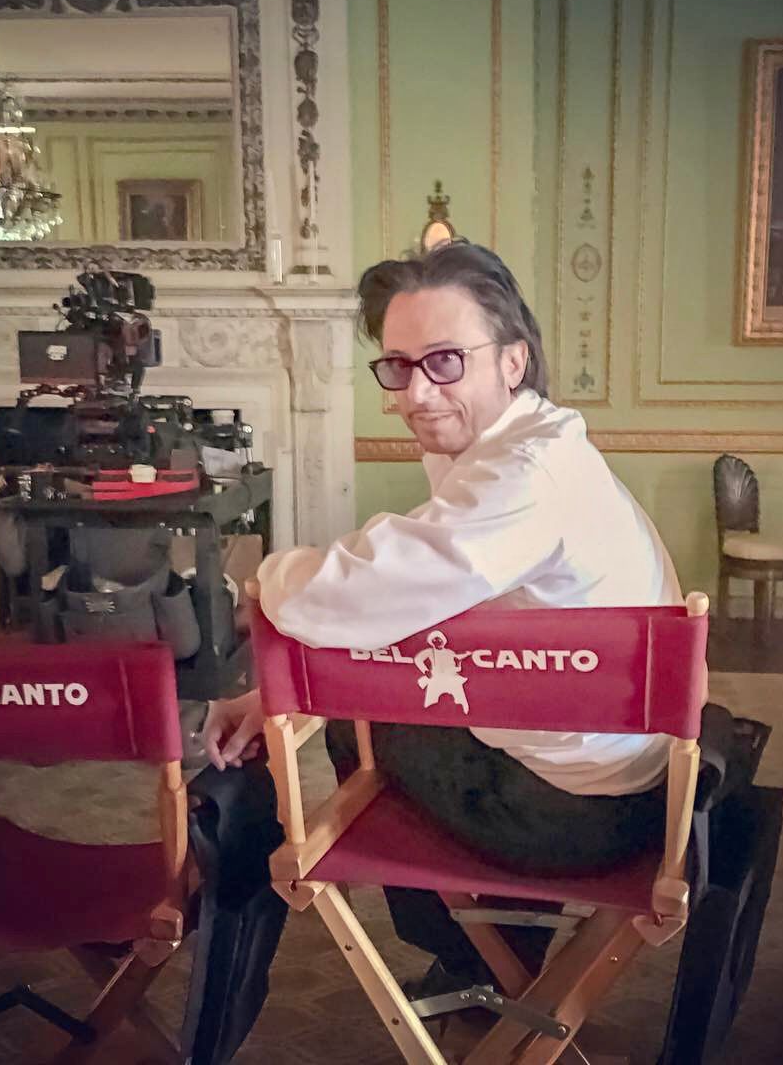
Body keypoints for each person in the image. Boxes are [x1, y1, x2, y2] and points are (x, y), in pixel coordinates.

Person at [200, 239, 683, 998]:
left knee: (355, 724)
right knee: (374, 684)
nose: (417, 393)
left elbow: (349, 595)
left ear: (514, 361)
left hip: (579, 813)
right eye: (398, 366)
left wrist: (262, 578)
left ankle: (476, 956)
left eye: (446, 361)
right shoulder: (537, 443)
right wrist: (276, 696)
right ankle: (497, 944)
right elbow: (418, 608)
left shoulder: (521, 477)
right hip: (622, 772)